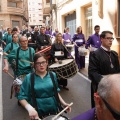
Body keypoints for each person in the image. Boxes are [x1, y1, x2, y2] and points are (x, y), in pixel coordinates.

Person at [17, 53, 71, 119]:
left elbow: (56, 92)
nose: (41, 65)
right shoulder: (29, 78)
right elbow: (21, 97)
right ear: (34, 65)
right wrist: (29, 108)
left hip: (54, 110)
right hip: (38, 112)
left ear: (47, 63)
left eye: (43, 62)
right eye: (38, 63)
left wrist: (64, 103)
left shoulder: (52, 75)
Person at [89, 31, 120, 108]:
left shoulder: (114, 54)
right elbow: (92, 73)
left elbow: (117, 70)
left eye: (111, 38)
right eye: (108, 38)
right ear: (101, 39)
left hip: (113, 88)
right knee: (101, 110)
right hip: (100, 88)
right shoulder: (95, 54)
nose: (110, 40)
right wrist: (107, 82)